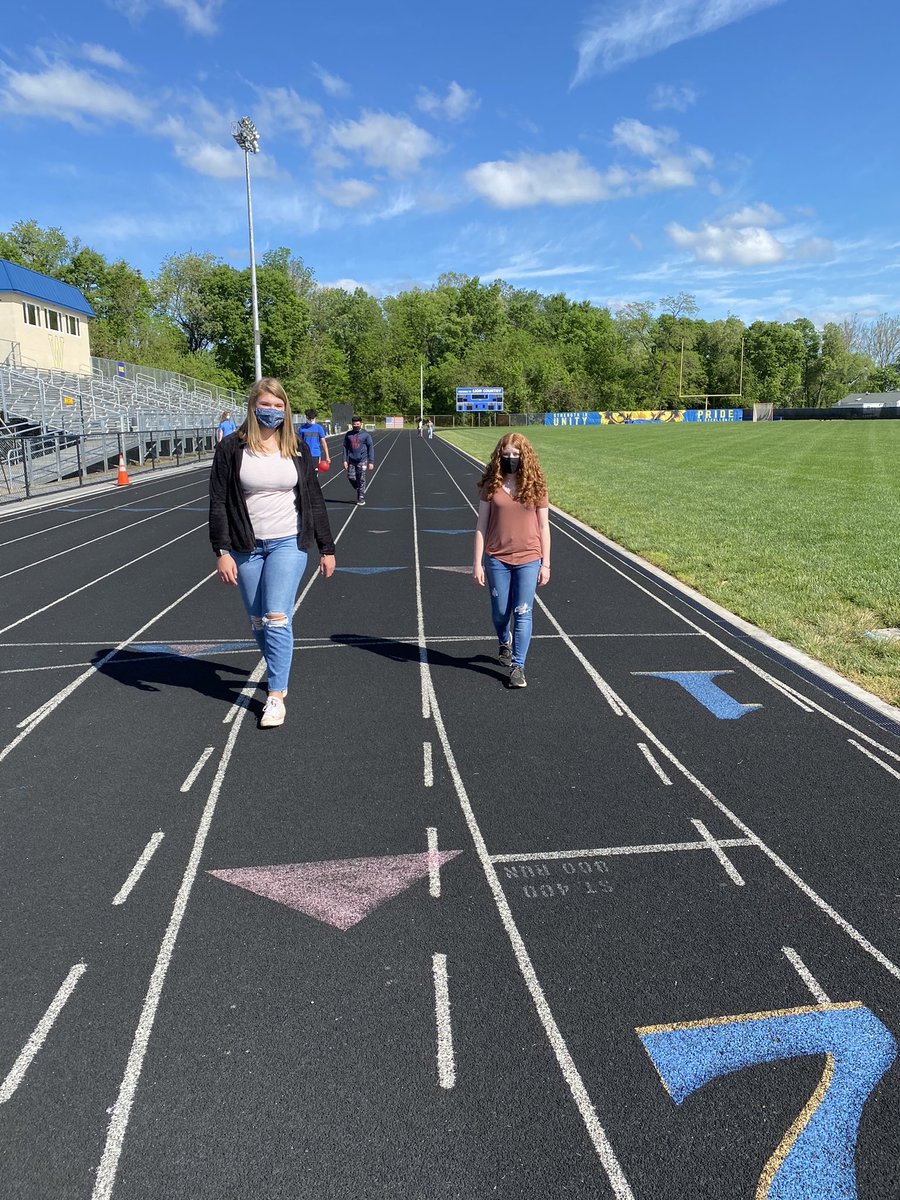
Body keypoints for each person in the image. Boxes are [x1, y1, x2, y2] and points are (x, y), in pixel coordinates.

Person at [209, 378, 336, 728]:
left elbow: (314, 498)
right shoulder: (232, 449)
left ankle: (276, 694)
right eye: (267, 405)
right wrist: (221, 550)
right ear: (253, 406)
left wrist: (327, 547)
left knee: (276, 615)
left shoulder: (295, 446)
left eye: (279, 407)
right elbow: (218, 501)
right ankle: (278, 665)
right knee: (256, 619)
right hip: (246, 546)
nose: (273, 412)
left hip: (288, 542)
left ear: (286, 409)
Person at [472, 433, 551, 689]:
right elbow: (481, 525)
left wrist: (546, 563)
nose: (511, 458)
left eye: (516, 455)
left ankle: (518, 666)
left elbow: (544, 525)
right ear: (499, 454)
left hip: (530, 557)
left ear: (524, 456)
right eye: (506, 454)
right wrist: (477, 563)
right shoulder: (491, 485)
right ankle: (503, 639)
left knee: (523, 611)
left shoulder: (536, 485)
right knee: (500, 612)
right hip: (497, 558)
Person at [342, 415, 374, 506]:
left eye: (357, 424)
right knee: (351, 477)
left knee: (361, 479)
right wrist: (344, 460)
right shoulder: (348, 434)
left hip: (362, 460)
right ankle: (359, 489)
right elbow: (345, 447)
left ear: (361, 424)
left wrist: (371, 461)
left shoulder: (366, 435)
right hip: (351, 460)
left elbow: (370, 447)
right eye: (354, 424)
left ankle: (361, 497)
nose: (356, 425)